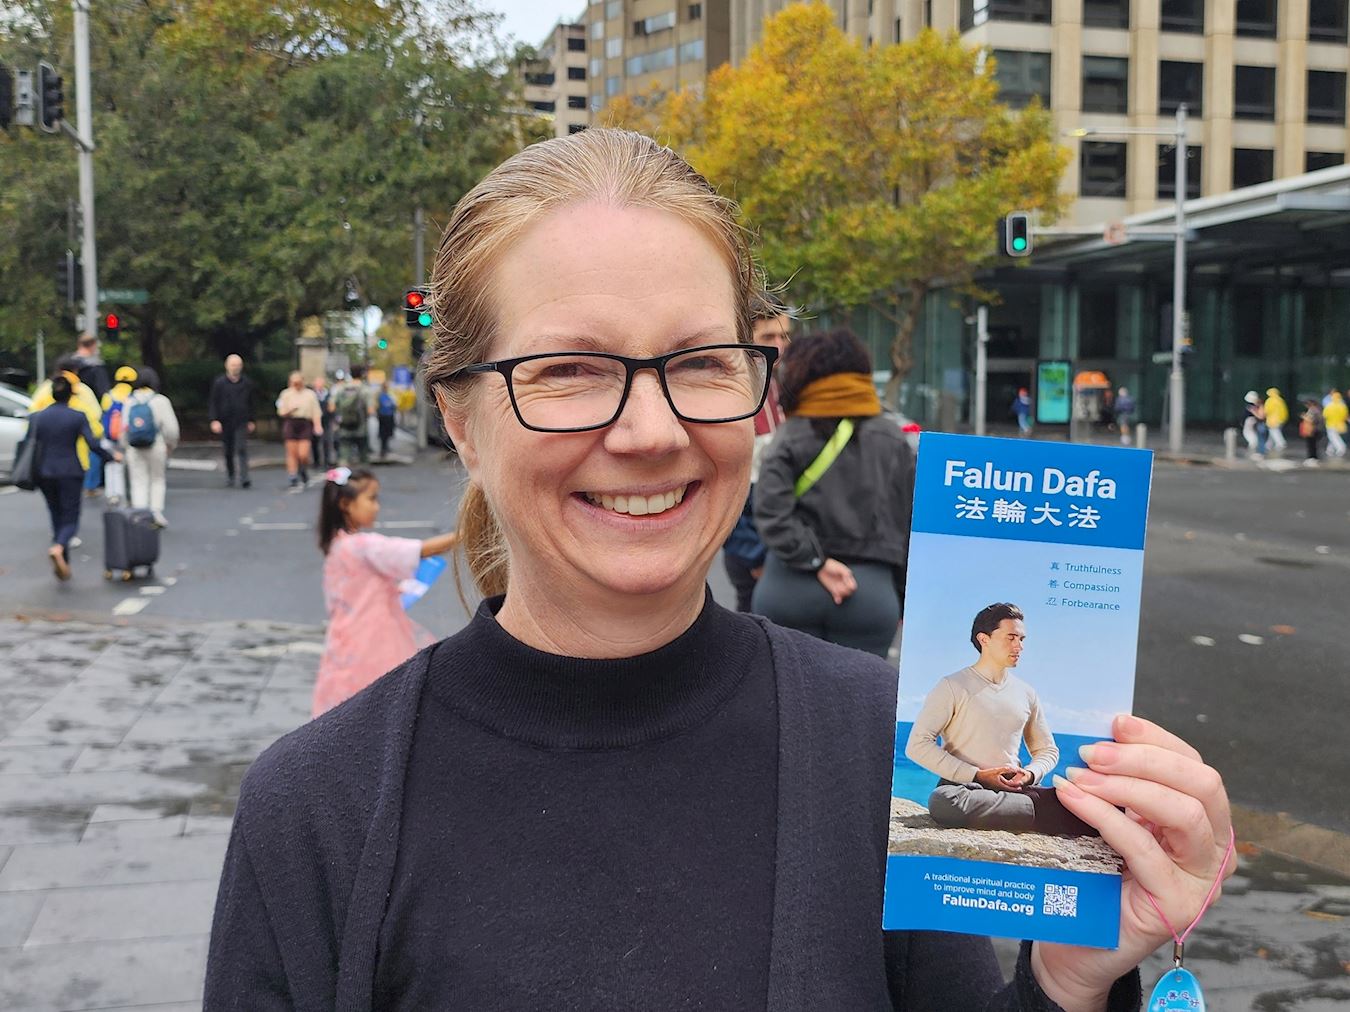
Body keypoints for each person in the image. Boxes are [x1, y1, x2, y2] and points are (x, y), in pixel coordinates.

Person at [206, 129, 1233, 1011]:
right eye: (570, 370)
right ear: (461, 419)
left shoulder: (868, 746)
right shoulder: (317, 809)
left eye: (699, 362)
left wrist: (1067, 986)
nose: (652, 431)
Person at [752, 328, 914, 657]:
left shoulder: (788, 437)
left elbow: (771, 514)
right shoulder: (894, 440)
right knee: (863, 689)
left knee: (788, 686)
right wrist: (898, 594)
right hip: (868, 592)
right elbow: (907, 525)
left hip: (790, 586)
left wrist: (817, 562)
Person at [906, 603, 1095, 837]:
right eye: (1011, 637)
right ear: (984, 639)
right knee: (944, 801)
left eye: (1022, 639)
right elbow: (917, 745)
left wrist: (1030, 774)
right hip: (965, 788)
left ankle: (1025, 809)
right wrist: (977, 774)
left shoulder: (1026, 693)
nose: (1019, 646)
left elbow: (1047, 750)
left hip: (1015, 788)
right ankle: (1039, 810)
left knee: (1086, 799)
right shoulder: (952, 686)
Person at [311, 467, 458, 717]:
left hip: (345, 638)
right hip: (374, 639)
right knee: (385, 702)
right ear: (346, 504)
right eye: (371, 499)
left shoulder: (338, 546)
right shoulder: (361, 546)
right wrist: (466, 533)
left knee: (352, 708)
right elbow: (422, 550)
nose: (376, 506)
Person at [721, 293, 791, 611]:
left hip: (780, 543)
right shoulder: (731, 392)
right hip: (751, 546)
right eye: (768, 337)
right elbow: (726, 481)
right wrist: (754, 557)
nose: (779, 346)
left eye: (784, 336)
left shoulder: (779, 384)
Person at [29, 374, 119, 580]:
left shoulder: (38, 417)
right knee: (70, 516)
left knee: (55, 514)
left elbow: (30, 444)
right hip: (70, 470)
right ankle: (59, 547)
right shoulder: (77, 416)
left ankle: (63, 561)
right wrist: (112, 457)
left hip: (44, 472)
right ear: (71, 395)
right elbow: (93, 443)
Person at [120, 367, 181, 528]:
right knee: (157, 479)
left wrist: (125, 446)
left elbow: (123, 427)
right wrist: (171, 444)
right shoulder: (160, 400)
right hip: (157, 445)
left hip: (134, 447)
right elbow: (171, 428)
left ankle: (140, 514)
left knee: (138, 480)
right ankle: (156, 513)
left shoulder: (129, 401)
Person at [72, 335, 112, 498]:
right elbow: (104, 393)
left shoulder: (70, 364)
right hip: (91, 411)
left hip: (69, 409)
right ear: (93, 346)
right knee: (93, 446)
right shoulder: (96, 367)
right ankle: (90, 484)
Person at [208, 355, 255, 488]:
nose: (236, 368)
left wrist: (251, 420)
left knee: (241, 448)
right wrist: (214, 420)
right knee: (228, 450)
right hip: (225, 420)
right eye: (233, 365)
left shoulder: (247, 383)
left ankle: (244, 477)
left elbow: (251, 402)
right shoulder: (219, 383)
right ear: (227, 366)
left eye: (238, 365)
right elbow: (213, 402)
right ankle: (230, 475)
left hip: (241, 420)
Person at [276, 371, 323, 489]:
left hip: (305, 423)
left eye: (298, 382)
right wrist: (290, 410)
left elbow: (316, 411)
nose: (296, 384)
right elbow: (281, 411)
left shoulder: (310, 394)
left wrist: (317, 425)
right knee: (292, 452)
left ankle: (303, 469)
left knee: (303, 454)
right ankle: (292, 475)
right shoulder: (286, 394)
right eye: (294, 382)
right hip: (291, 422)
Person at [100, 366, 137, 506]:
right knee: (128, 466)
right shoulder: (133, 396)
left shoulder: (108, 395)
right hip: (128, 436)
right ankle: (127, 494)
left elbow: (103, 414)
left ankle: (112, 494)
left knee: (111, 465)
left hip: (110, 436)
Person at [333, 366, 372, 465]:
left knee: (344, 455)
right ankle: (362, 472)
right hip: (361, 427)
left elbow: (331, 407)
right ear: (362, 375)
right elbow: (370, 410)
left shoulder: (341, 388)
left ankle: (343, 470)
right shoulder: (365, 389)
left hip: (344, 426)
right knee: (363, 457)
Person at [311, 375, 336, 469]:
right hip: (314, 420)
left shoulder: (328, 394)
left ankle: (326, 461)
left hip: (326, 420)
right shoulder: (312, 394)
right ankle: (316, 461)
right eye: (317, 383)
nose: (319, 385)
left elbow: (333, 408)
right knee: (315, 442)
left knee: (327, 441)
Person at [1299, 397, 1324, 467]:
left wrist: (1304, 417)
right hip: (1314, 429)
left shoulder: (1314, 410)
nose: (1306, 405)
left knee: (1311, 444)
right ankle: (1313, 457)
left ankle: (1312, 457)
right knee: (1312, 444)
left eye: (1307, 404)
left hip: (1313, 430)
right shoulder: (1317, 410)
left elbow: (1313, 420)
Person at [1242, 390, 1267, 458]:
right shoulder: (1253, 407)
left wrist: (1253, 411)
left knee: (1257, 440)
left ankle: (1260, 453)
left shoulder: (1258, 406)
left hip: (1260, 423)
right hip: (1256, 424)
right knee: (1257, 439)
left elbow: (1261, 416)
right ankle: (1257, 452)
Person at [376, 380, 398, 458]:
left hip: (387, 416)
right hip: (384, 416)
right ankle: (383, 449)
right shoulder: (382, 395)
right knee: (384, 434)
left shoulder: (388, 395)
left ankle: (385, 448)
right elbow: (388, 405)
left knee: (387, 433)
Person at [1264, 386, 1288, 453]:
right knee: (1273, 432)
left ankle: (1281, 443)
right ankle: (1269, 444)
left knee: (1274, 431)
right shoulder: (1281, 400)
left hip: (1272, 419)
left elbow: (1267, 410)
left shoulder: (1270, 400)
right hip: (1281, 419)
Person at [1323, 389, 1347, 459]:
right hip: (1340, 424)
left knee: (1334, 438)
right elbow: (1345, 415)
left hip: (1330, 424)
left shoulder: (1329, 406)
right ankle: (1330, 450)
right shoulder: (1343, 406)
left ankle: (1341, 449)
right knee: (1334, 437)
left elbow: (1325, 415)